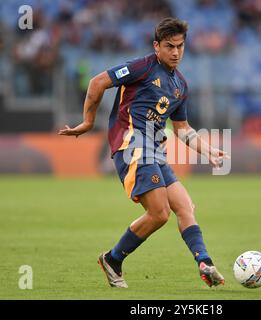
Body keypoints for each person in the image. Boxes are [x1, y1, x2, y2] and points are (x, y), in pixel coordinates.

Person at [58, 17, 228, 288]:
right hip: (131, 146)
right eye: (169, 46)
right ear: (156, 46)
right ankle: (113, 259)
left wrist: (207, 151)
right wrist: (88, 122)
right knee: (160, 214)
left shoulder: (180, 86)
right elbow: (97, 82)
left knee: (185, 206)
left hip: (154, 151)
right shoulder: (142, 67)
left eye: (180, 47)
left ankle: (204, 262)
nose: (175, 52)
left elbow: (183, 129)